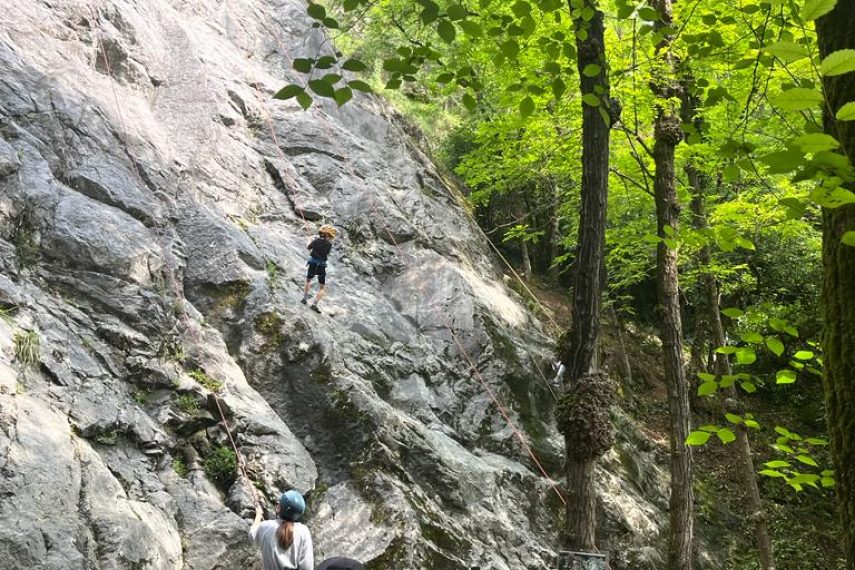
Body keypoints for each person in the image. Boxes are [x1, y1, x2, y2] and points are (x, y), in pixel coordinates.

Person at [249, 490, 314, 570]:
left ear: (279, 508)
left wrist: (258, 516)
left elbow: (252, 535)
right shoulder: (304, 531)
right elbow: (307, 567)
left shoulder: (265, 527)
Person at [301, 224, 337, 314]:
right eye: (330, 236)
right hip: (321, 266)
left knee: (308, 281)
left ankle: (304, 299)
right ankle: (314, 305)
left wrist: (309, 240)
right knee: (322, 287)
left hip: (312, 264)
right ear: (327, 235)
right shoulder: (329, 245)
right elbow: (325, 253)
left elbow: (308, 248)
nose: (331, 238)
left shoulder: (316, 240)